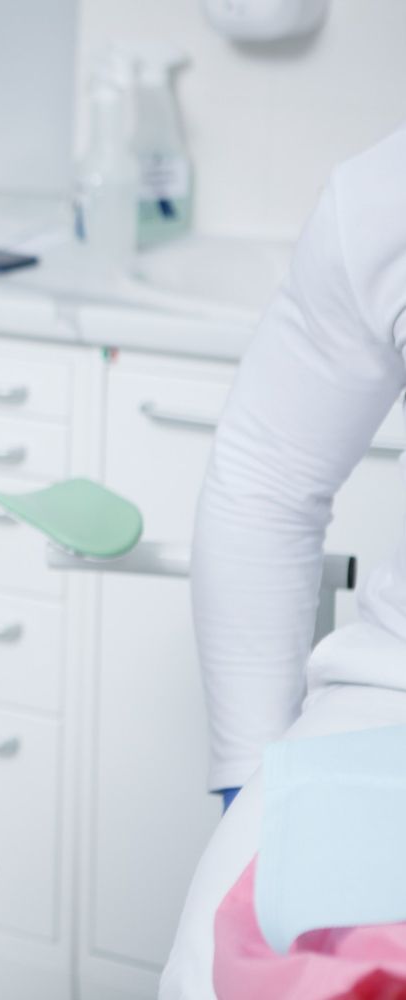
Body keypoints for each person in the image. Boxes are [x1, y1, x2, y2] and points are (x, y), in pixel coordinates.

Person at [160, 123, 406, 998]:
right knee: (213, 974)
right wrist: (253, 774)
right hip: (394, 702)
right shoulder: (387, 192)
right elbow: (267, 478)